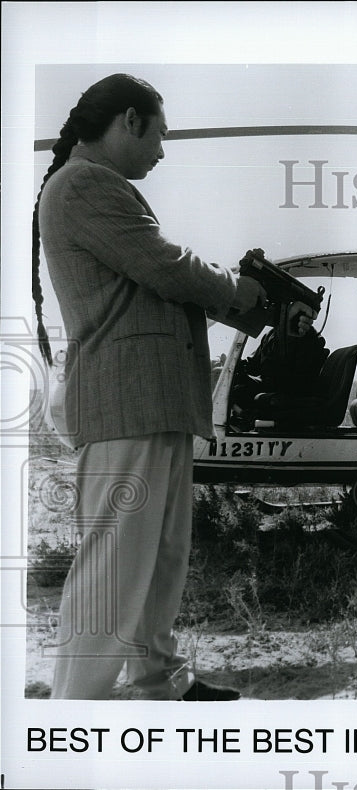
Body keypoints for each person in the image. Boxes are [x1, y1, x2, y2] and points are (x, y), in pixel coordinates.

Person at [33, 73, 267, 700]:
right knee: (114, 568)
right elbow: (162, 265)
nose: (162, 150)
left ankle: (158, 680)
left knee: (158, 558)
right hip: (123, 402)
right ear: (129, 121)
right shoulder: (84, 184)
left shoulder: (95, 186)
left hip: (149, 400)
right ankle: (75, 708)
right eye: (159, 133)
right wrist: (235, 291)